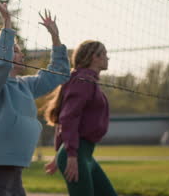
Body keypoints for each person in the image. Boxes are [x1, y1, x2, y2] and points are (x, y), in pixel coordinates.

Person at [0, 0, 70, 196]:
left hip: (15, 168)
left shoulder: (25, 85)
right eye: (15, 49)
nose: (21, 54)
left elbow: (59, 74)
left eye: (20, 50)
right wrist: (7, 21)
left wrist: (55, 37)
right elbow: (0, 63)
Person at [43, 40, 117, 196]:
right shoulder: (83, 80)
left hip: (85, 154)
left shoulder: (87, 80)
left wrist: (60, 153)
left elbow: (65, 119)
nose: (107, 57)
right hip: (77, 154)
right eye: (104, 54)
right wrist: (70, 154)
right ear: (93, 57)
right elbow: (68, 118)